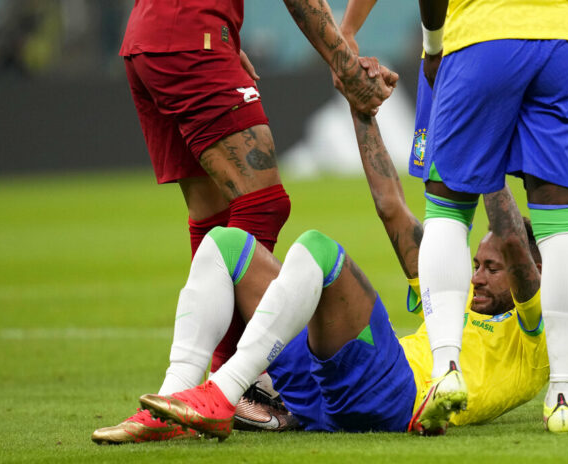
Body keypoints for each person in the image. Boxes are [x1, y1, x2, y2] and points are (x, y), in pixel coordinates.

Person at [93, 112, 548, 442]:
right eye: (476, 265)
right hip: (330, 389)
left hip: (398, 396)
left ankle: (223, 392)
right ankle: (173, 405)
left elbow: (512, 240)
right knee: (225, 245)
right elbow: (391, 204)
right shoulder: (449, 294)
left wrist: (486, 133)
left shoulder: (533, 334)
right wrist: (361, 106)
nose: (477, 278)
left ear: (532, 272)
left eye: (492, 269)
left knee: (318, 249)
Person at [338, 0, 568, 410]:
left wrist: (349, 32)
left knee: (456, 205)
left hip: (469, 42)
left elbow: (391, 206)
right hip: (559, 47)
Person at [114, 0, 399, 441]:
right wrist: (344, 66)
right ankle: (234, 382)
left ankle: (187, 394)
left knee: (212, 212)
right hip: (194, 34)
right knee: (263, 202)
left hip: (147, 39)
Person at [412, 0, 568, 433]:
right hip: (562, 45)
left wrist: (434, 45)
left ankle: (447, 368)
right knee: (562, 226)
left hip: (478, 36)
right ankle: (564, 397)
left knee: (448, 209)